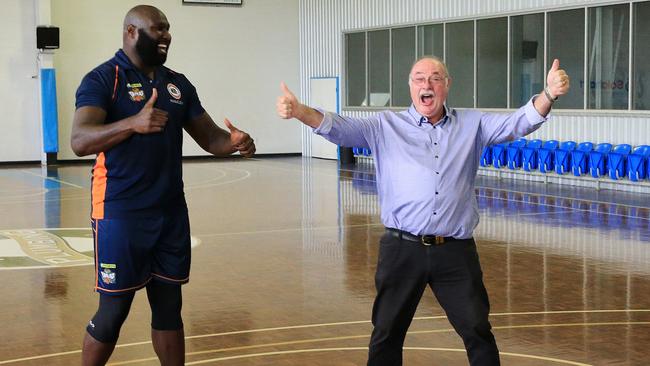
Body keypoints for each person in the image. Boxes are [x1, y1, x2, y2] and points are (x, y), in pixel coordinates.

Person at [277, 56, 569, 365]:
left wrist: (548, 94)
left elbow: (520, 121)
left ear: (447, 85)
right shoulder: (385, 126)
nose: (426, 84)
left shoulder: (473, 124)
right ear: (410, 86)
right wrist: (300, 112)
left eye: (435, 78)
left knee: (477, 330)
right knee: (387, 332)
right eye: (419, 78)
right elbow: (338, 128)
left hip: (455, 252)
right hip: (402, 249)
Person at [71, 5, 255, 365]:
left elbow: (211, 138)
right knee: (114, 310)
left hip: (170, 213)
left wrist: (235, 143)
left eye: (168, 29)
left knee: (170, 308)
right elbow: (80, 140)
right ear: (131, 32)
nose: (166, 35)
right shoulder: (103, 79)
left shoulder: (177, 84)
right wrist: (132, 124)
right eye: (157, 29)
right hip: (120, 213)